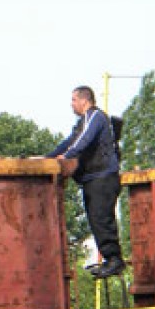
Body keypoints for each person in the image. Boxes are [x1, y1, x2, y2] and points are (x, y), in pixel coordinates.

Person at [47, 85, 124, 278]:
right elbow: (70, 141)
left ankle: (115, 260)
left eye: (73, 100)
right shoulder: (83, 121)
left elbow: (83, 140)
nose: (71, 104)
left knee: (101, 217)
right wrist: (48, 157)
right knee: (95, 219)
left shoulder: (95, 117)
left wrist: (66, 156)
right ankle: (109, 259)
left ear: (84, 100)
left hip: (103, 177)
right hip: (91, 178)